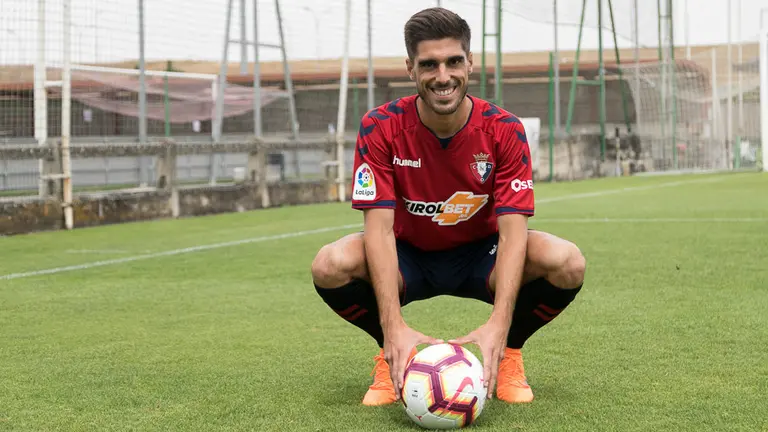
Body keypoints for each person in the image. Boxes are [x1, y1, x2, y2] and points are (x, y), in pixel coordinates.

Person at [311, 7, 586, 406]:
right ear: (410, 68)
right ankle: (391, 355)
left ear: (469, 62)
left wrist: (499, 325)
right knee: (329, 264)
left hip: (482, 255)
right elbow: (379, 231)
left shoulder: (504, 129)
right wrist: (393, 328)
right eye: (429, 64)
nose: (443, 76)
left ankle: (508, 354)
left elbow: (514, 235)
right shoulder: (381, 126)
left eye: (453, 61)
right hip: (408, 255)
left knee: (567, 261)